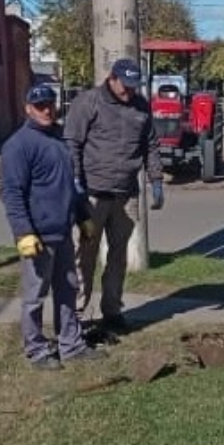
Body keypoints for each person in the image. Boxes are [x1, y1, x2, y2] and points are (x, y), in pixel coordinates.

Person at [0, 84, 106, 370]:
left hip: (63, 231)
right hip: (38, 236)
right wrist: (23, 232)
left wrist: (83, 215)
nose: (47, 110)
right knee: (35, 297)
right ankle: (36, 349)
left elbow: (72, 184)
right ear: (28, 109)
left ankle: (70, 345)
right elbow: (11, 193)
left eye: (49, 104)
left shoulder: (60, 138)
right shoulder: (18, 146)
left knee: (68, 289)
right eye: (40, 106)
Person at [64, 58, 165, 332]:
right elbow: (72, 142)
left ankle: (112, 311)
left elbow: (151, 145)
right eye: (126, 86)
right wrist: (75, 180)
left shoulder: (141, 107)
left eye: (134, 86)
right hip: (92, 195)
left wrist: (156, 178)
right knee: (84, 255)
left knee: (118, 256)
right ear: (113, 78)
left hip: (125, 194)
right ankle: (76, 316)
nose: (130, 92)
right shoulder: (89, 102)